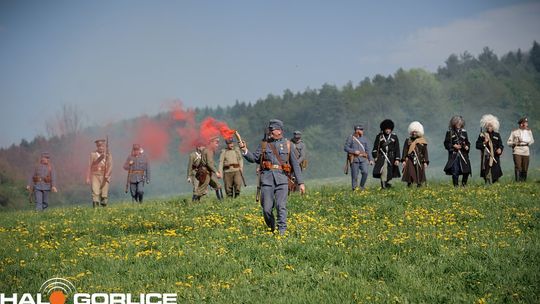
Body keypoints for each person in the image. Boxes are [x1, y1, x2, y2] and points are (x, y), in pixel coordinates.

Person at [240, 119, 305, 235]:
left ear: (279, 131)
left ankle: (282, 232)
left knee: (281, 206)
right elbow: (254, 158)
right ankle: (272, 227)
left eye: (272, 129)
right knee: (266, 209)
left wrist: (301, 183)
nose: (270, 132)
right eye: (269, 130)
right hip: (267, 180)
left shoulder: (288, 145)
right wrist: (244, 150)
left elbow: (295, 164)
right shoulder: (264, 144)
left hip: (282, 180)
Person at [443, 115, 472, 187]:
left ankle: (464, 185)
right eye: (457, 122)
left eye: (460, 123)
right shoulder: (449, 132)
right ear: (453, 123)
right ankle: (455, 186)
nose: (458, 124)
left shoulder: (464, 132)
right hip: (454, 155)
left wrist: (467, 147)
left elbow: (467, 142)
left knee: (466, 171)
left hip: (463, 154)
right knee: (455, 172)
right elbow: (446, 143)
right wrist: (453, 146)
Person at [372, 119, 401, 189]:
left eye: (389, 129)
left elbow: (397, 149)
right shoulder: (379, 136)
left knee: (390, 173)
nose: (388, 130)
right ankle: (383, 187)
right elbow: (375, 148)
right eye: (386, 129)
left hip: (391, 158)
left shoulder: (394, 137)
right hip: (382, 157)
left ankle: (387, 184)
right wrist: (375, 156)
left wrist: (397, 159)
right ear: (383, 129)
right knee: (383, 171)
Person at [344, 124, 374, 190]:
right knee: (354, 175)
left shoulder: (364, 138)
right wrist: (354, 151)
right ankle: (354, 189)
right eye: (361, 129)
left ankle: (361, 186)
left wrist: (370, 159)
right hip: (354, 159)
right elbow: (346, 148)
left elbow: (367, 150)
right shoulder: (351, 138)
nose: (362, 131)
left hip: (363, 159)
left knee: (365, 172)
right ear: (357, 130)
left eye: (362, 129)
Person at [193, 136, 224, 201]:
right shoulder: (209, 150)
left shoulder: (207, 150)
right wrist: (216, 173)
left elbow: (211, 163)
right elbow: (209, 164)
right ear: (211, 142)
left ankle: (221, 201)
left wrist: (216, 170)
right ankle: (194, 203)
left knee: (218, 186)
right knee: (200, 190)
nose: (217, 145)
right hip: (205, 173)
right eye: (216, 143)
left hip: (207, 172)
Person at [476, 114, 503, 184]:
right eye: (487, 125)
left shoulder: (497, 135)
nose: (488, 127)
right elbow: (477, 145)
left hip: (495, 156)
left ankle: (495, 183)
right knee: (487, 171)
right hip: (486, 156)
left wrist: (500, 149)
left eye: (490, 125)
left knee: (496, 171)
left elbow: (501, 145)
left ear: (493, 126)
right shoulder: (482, 135)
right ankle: (487, 183)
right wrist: (484, 142)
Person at [86, 139, 113, 207]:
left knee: (104, 193)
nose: (100, 147)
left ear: (104, 146)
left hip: (105, 175)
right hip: (95, 175)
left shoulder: (108, 154)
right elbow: (89, 166)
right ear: (97, 147)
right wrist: (87, 177)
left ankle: (104, 207)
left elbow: (110, 165)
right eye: (99, 146)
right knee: (95, 192)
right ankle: (96, 209)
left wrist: (107, 174)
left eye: (102, 146)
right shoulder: (93, 154)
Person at [402, 121, 429, 187]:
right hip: (410, 159)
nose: (414, 133)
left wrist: (425, 161)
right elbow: (405, 150)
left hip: (420, 159)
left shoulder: (422, 140)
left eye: (415, 132)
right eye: (413, 132)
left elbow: (425, 152)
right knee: (410, 172)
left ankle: (419, 185)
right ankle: (409, 184)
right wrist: (403, 160)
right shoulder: (408, 140)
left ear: (419, 132)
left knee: (419, 172)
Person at [507, 117, 534, 182]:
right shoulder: (514, 132)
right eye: (524, 123)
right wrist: (514, 143)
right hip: (517, 150)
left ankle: (523, 182)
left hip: (526, 150)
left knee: (525, 167)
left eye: (526, 123)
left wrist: (527, 142)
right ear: (520, 124)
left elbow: (532, 140)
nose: (525, 125)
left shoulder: (529, 131)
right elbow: (508, 142)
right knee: (518, 166)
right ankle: (518, 182)